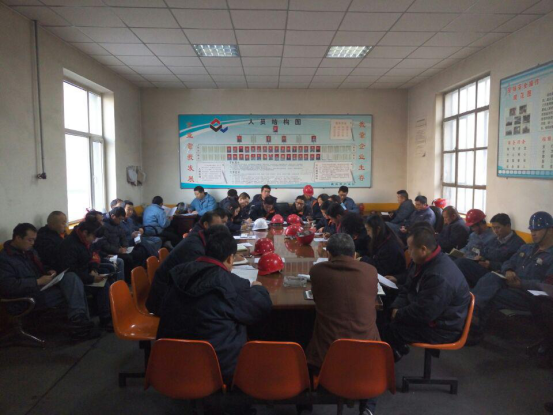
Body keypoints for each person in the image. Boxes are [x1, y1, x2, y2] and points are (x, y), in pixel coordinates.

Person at [156, 231, 272, 384]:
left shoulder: (178, 272)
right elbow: (261, 306)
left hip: (169, 362)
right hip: (215, 368)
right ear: (230, 258)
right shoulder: (229, 283)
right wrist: (258, 288)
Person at [305, 233, 380, 415]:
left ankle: (305, 404)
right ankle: (368, 406)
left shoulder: (317, 272)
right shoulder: (371, 271)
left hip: (328, 354)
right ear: (354, 255)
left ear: (328, 255)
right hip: (370, 354)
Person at [381, 226, 471, 361]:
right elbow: (407, 288)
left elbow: (426, 313)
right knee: (385, 311)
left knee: (390, 329)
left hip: (442, 327)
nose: (408, 252)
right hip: (430, 312)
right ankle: (394, 350)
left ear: (423, 249)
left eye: (410, 248)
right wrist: (396, 307)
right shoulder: (421, 261)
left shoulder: (439, 275)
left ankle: (383, 363)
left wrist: (398, 314)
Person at [469, 212, 553, 346]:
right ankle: (473, 319)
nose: (533, 233)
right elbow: (509, 262)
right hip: (510, 284)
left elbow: (548, 286)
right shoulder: (527, 247)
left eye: (537, 230)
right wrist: (508, 270)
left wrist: (521, 284)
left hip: (530, 295)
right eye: (531, 230)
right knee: (491, 277)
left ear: (550, 230)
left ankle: (473, 322)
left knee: (492, 293)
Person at [0, 223, 95, 336]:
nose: (32, 243)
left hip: (41, 288)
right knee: (74, 290)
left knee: (72, 277)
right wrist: (37, 281)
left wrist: (49, 271)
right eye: (30, 240)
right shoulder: (4, 259)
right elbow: (8, 286)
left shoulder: (29, 251)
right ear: (18, 238)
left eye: (34, 240)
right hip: (25, 297)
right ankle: (80, 322)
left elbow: (40, 267)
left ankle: (79, 320)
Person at [146, 212, 227, 316]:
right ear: (206, 225)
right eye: (218, 226)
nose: (221, 229)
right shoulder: (194, 246)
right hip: (163, 299)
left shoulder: (199, 236)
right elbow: (199, 279)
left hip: (171, 291)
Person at [57, 216, 117, 331]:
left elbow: (92, 257)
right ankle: (104, 318)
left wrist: (93, 269)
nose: (94, 240)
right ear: (85, 233)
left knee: (107, 281)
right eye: (93, 237)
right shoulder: (69, 245)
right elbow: (71, 270)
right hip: (75, 279)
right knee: (103, 286)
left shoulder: (84, 240)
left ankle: (107, 317)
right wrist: (91, 278)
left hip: (85, 274)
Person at [454, 213, 525, 287]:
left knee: (461, 263)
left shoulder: (518, 244)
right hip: (485, 268)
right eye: (493, 228)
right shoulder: (495, 239)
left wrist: (490, 264)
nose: (495, 231)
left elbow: (512, 265)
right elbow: (485, 252)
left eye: (498, 228)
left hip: (497, 274)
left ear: (508, 226)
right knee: (458, 261)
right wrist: (481, 258)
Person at [361, 214, 407, 283]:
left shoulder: (390, 246)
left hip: (390, 279)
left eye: (368, 230)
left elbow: (379, 269)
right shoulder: (382, 238)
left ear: (378, 229)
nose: (367, 233)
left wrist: (363, 259)